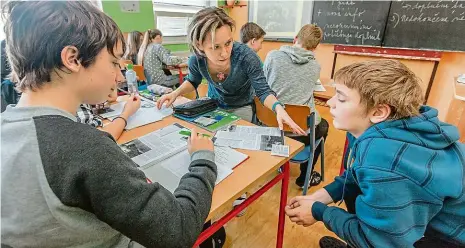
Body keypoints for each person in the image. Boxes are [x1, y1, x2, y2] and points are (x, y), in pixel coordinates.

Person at [1, 1, 218, 247]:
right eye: (114, 63)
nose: (118, 76)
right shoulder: (84, 149)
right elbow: (179, 230)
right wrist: (203, 158)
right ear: (73, 59)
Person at [285, 60, 465, 248]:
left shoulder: (387, 165)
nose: (330, 102)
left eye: (341, 98)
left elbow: (380, 242)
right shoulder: (377, 130)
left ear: (379, 112)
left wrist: (319, 212)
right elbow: (356, 172)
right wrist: (322, 196)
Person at [157, 7, 305, 134]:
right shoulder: (196, 60)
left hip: (242, 106)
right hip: (213, 105)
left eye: (228, 43)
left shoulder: (247, 57)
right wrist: (175, 93)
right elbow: (193, 81)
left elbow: (263, 90)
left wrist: (278, 108)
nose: (225, 53)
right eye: (216, 47)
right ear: (199, 45)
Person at [264, 24, 328, 188]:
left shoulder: (272, 56)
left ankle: (278, 163)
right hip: (300, 130)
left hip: (270, 124)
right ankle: (304, 177)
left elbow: (263, 85)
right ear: (314, 48)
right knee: (324, 126)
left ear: (295, 39)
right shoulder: (315, 66)